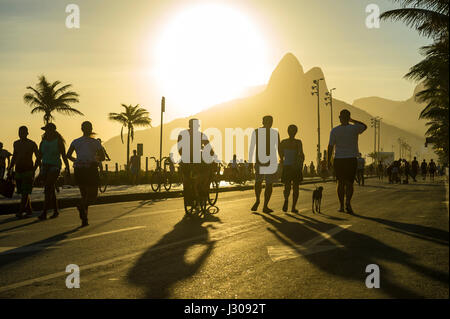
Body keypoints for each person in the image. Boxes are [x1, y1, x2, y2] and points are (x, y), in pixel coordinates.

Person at [327, 109, 367, 214]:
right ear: (349, 118)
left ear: (340, 118)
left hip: (339, 159)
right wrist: (352, 120)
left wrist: (328, 161)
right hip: (351, 159)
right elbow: (364, 126)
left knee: (340, 183)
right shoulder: (354, 128)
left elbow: (330, 147)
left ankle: (341, 206)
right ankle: (348, 202)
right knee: (349, 183)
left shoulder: (334, 130)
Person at [67, 121, 105, 227]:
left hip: (79, 169)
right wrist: (95, 160)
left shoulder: (75, 141)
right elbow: (102, 157)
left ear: (81, 129)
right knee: (92, 196)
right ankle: (81, 206)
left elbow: (68, 155)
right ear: (91, 129)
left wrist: (77, 160)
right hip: (91, 169)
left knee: (84, 195)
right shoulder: (96, 142)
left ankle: (85, 219)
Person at [37, 123, 70, 220]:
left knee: (47, 187)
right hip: (45, 167)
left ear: (53, 131)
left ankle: (44, 212)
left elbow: (64, 156)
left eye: (48, 130)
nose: (47, 132)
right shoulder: (42, 142)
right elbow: (39, 156)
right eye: (46, 130)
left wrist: (67, 168)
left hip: (55, 167)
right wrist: (35, 169)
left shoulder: (58, 142)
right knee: (50, 189)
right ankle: (55, 211)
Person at [177, 119, 214, 204]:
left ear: (189, 125)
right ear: (197, 126)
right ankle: (203, 192)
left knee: (186, 178)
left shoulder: (182, 134)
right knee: (208, 171)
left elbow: (179, 149)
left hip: (185, 161)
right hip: (197, 161)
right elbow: (209, 149)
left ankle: (189, 198)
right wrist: (212, 155)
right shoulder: (201, 135)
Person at [249, 115, 281, 213]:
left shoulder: (273, 133)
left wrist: (282, 159)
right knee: (263, 183)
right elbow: (252, 147)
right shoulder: (257, 132)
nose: (270, 123)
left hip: (269, 162)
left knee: (266, 183)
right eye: (268, 121)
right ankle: (261, 203)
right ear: (263, 122)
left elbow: (278, 147)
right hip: (262, 161)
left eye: (271, 121)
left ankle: (263, 204)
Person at [8, 126, 40, 219]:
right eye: (20, 132)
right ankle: (29, 209)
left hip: (28, 170)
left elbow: (38, 156)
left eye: (23, 132)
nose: (21, 134)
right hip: (18, 170)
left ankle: (20, 211)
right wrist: (10, 167)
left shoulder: (32, 144)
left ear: (27, 133)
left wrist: (35, 169)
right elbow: (14, 155)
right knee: (22, 192)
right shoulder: (16, 143)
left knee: (25, 192)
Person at [279, 124, 305, 213]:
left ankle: (286, 199)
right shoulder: (298, 142)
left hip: (287, 166)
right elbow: (301, 153)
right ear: (296, 132)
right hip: (296, 167)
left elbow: (280, 154)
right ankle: (293, 207)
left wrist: (282, 159)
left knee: (287, 187)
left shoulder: (283, 142)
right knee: (296, 187)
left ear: (288, 131)